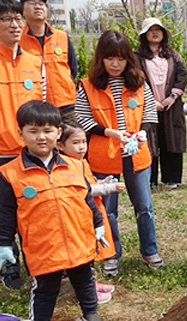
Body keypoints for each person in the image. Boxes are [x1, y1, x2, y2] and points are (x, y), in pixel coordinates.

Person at [0, 100, 104, 321]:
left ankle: (91, 316)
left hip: (78, 241)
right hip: (43, 248)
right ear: (21, 133)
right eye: (33, 131)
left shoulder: (75, 165)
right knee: (45, 290)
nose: (41, 137)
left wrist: (99, 223)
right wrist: (5, 244)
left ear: (59, 133)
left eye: (47, 131)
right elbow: (6, 214)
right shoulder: (11, 174)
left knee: (85, 282)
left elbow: (86, 199)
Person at [75, 30, 163, 277]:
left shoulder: (139, 82)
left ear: (128, 59)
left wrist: (144, 132)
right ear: (100, 58)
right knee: (107, 209)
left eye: (121, 58)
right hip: (104, 155)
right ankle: (110, 255)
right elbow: (82, 118)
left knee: (144, 206)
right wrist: (110, 133)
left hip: (136, 154)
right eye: (110, 58)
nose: (115, 64)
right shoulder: (87, 85)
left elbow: (149, 114)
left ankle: (150, 250)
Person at [0, 0, 44, 289]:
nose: (14, 24)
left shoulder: (35, 62)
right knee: (1, 214)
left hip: (30, 150)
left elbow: (43, 105)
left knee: (34, 209)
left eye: (17, 19)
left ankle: (39, 262)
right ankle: (8, 266)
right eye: (7, 19)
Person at [58, 122, 126, 304]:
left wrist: (103, 181)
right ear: (61, 146)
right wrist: (109, 187)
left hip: (92, 214)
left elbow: (90, 182)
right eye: (75, 143)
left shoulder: (81, 162)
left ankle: (92, 283)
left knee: (92, 253)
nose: (81, 147)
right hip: (81, 217)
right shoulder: (67, 166)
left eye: (83, 142)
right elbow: (85, 190)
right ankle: (87, 291)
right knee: (86, 255)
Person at [135, 17, 187, 189]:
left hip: (171, 105)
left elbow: (182, 75)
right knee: (149, 140)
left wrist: (172, 97)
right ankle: (149, 180)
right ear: (145, 34)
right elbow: (135, 79)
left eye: (158, 29)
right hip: (147, 105)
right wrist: (151, 101)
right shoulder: (137, 57)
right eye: (151, 30)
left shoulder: (173, 54)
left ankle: (171, 178)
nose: (155, 33)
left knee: (171, 139)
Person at [19, 0, 78, 123]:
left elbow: (73, 69)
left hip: (66, 105)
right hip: (34, 108)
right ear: (22, 11)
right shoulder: (18, 41)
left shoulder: (62, 37)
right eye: (32, 3)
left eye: (41, 3)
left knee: (72, 141)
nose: (38, 6)